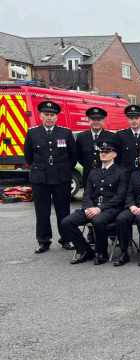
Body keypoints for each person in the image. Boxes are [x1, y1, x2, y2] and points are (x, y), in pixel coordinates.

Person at [61, 139, 127, 265]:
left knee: (98, 221)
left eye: (107, 151)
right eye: (101, 151)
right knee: (66, 222)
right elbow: (87, 194)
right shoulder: (93, 171)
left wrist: (100, 208)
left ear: (114, 154)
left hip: (111, 209)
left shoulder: (121, 172)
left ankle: (101, 253)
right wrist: (88, 207)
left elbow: (120, 197)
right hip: (91, 208)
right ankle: (85, 250)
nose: (103, 153)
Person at [24, 100, 77, 253]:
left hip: (61, 179)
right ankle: (43, 241)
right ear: (40, 116)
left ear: (57, 117)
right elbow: (28, 157)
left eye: (52, 115)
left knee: (63, 211)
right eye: (46, 114)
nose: (49, 117)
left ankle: (66, 239)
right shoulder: (32, 133)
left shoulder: (65, 133)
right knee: (42, 212)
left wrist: (64, 169)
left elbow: (73, 156)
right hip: (40, 180)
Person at [75, 106, 115, 189]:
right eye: (93, 119)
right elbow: (78, 155)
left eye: (99, 119)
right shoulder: (81, 136)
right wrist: (88, 164)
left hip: (107, 175)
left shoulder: (112, 137)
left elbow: (116, 156)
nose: (96, 122)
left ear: (103, 121)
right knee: (88, 200)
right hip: (88, 175)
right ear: (89, 120)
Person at [115, 104, 140, 172]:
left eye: (136, 118)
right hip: (125, 174)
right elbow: (117, 158)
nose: (134, 121)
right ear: (127, 119)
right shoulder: (120, 135)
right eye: (131, 118)